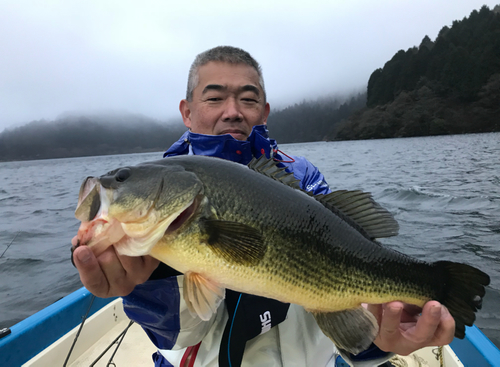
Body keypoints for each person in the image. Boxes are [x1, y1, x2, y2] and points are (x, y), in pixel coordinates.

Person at [73, 46, 455, 366]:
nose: (233, 110)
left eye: (248, 98)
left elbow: (343, 279)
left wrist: (381, 338)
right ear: (187, 111)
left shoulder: (305, 182)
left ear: (264, 112)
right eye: (214, 96)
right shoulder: (163, 197)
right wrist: (145, 286)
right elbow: (186, 332)